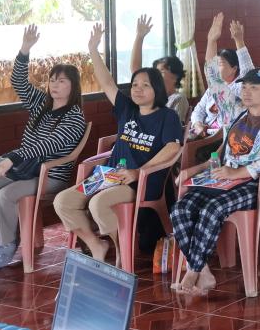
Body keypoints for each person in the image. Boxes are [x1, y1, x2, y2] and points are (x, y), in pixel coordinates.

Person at [170, 14, 260, 295]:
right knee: (180, 209)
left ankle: (192, 273)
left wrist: (240, 172)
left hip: (256, 186)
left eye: (254, 88)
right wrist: (211, 40)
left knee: (211, 210)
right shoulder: (235, 112)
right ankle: (203, 271)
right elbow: (214, 79)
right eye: (245, 87)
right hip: (224, 180)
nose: (246, 92)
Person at [53, 23, 183, 263]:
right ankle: (97, 244)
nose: (138, 90)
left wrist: (138, 172)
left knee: (99, 203)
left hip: (140, 182)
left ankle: (122, 250)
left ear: (157, 89)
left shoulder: (167, 116)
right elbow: (107, 83)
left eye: (145, 85)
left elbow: (173, 148)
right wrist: (93, 49)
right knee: (63, 201)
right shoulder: (127, 110)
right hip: (109, 176)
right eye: (134, 85)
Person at [0, 25, 87, 271]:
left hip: (50, 176)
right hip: (23, 170)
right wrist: (24, 50)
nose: (54, 85)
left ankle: (7, 244)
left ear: (73, 86)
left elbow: (47, 146)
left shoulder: (75, 117)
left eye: (61, 81)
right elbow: (18, 82)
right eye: (52, 80)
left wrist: (12, 157)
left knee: (2, 197)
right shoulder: (41, 103)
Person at [131, 15, 189, 123]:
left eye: (162, 71)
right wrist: (139, 37)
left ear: (175, 76)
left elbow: (172, 125)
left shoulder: (179, 98)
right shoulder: (153, 94)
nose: (156, 75)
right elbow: (136, 70)